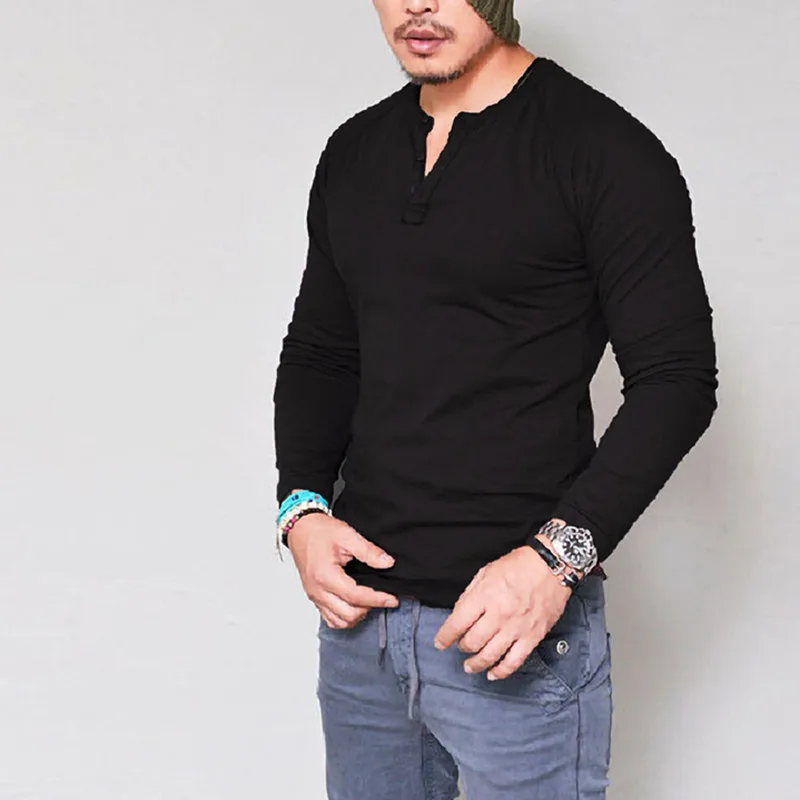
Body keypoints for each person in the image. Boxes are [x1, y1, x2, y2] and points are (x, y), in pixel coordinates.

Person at [272, 0, 718, 797]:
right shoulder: (356, 150)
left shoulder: (603, 150)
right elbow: (322, 351)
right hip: (363, 634)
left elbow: (677, 379)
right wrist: (299, 509)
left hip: (516, 635)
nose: (417, 4)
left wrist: (555, 562)